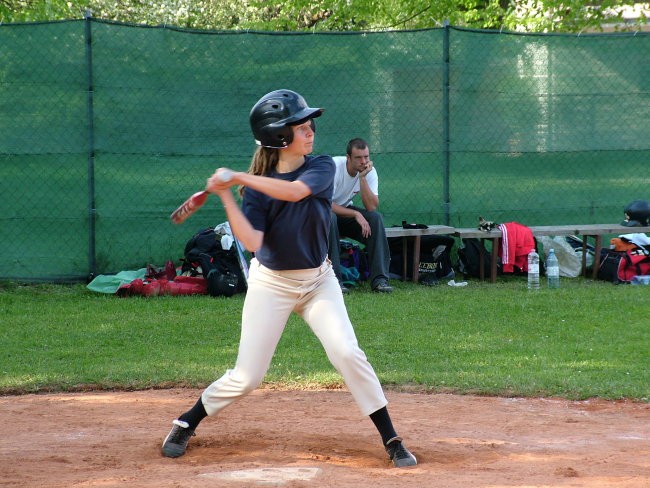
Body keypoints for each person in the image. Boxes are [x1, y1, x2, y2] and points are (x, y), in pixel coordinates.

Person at [161, 89, 417, 468]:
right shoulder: (254, 193)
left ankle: (391, 438)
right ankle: (186, 421)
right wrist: (229, 196)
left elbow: (296, 192)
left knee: (347, 352)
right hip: (272, 284)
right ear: (280, 137)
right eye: (300, 125)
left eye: (308, 123)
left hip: (318, 282)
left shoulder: (321, 168)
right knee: (247, 377)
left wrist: (237, 177)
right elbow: (251, 241)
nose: (310, 129)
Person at [328, 138, 393, 293]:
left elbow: (371, 206)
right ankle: (335, 282)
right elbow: (325, 204)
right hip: (320, 215)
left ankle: (380, 281)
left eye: (366, 157)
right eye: (358, 158)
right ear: (348, 158)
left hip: (344, 214)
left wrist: (362, 178)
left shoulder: (369, 171)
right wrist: (355, 213)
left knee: (375, 219)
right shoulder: (334, 167)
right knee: (330, 218)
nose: (364, 162)